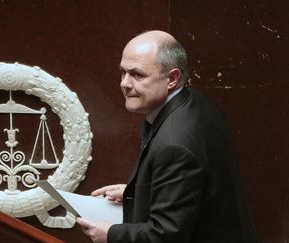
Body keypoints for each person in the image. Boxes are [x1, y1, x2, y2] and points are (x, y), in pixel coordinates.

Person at [76, 30, 257, 243]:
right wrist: (138, 195)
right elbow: (195, 190)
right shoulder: (198, 103)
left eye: (137, 74)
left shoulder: (174, 146)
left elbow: (166, 236)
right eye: (123, 72)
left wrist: (110, 234)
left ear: (172, 78)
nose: (124, 83)